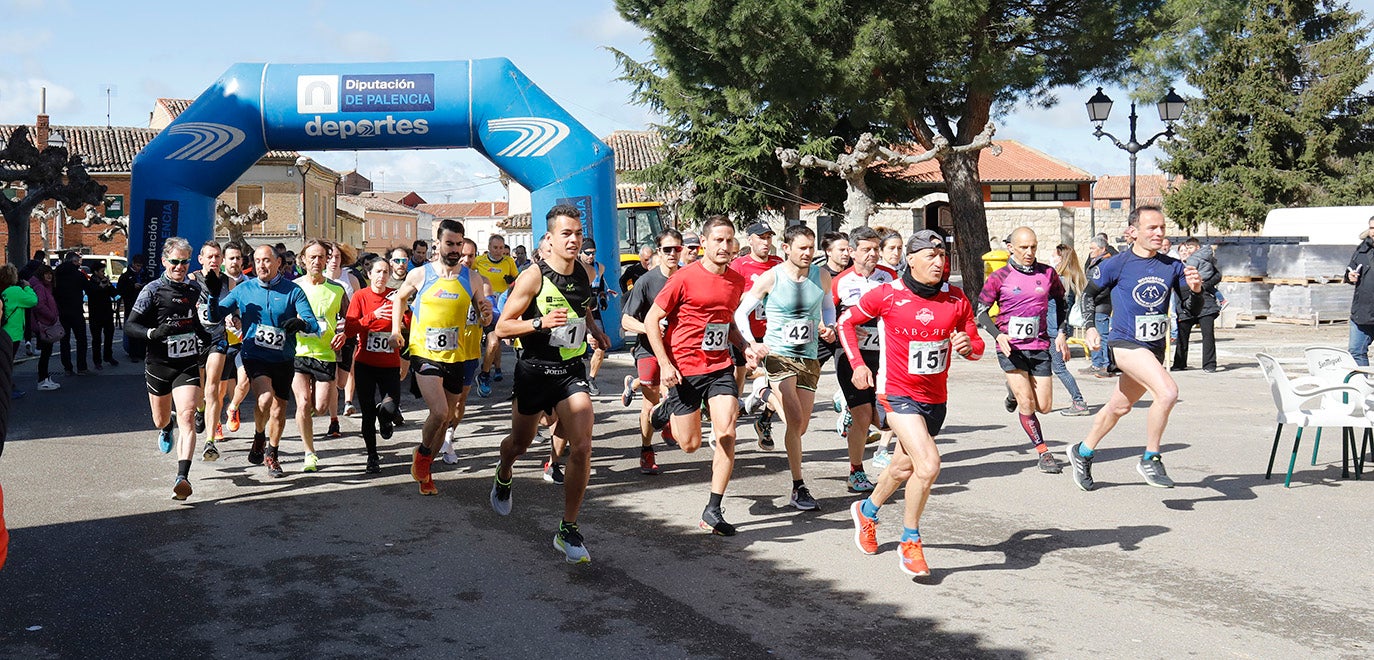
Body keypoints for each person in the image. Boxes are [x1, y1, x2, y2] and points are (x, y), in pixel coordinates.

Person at [844, 230, 983, 577]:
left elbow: (976, 345)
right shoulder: (888, 295)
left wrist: (969, 347)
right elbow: (846, 322)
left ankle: (867, 510)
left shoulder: (956, 298)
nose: (939, 263)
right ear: (911, 258)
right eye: (931, 256)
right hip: (896, 393)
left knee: (903, 468)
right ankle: (910, 540)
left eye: (942, 256)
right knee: (929, 464)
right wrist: (859, 364)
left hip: (935, 397)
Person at [490, 204, 610, 564]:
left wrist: (594, 329)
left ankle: (567, 529)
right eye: (566, 234)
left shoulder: (585, 274)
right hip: (534, 372)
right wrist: (540, 323)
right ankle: (504, 470)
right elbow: (502, 327)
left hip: (570, 371)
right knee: (520, 444)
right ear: (550, 238)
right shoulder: (533, 277)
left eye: (577, 233)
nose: (574, 240)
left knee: (583, 446)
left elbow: (583, 307)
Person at [1067, 205, 1202, 491]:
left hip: (1153, 349)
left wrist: (1196, 290)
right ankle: (1151, 457)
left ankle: (1083, 451)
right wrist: (1091, 327)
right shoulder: (1118, 264)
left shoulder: (1173, 266)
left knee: (1119, 406)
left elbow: (1190, 309)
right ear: (1133, 232)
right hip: (1125, 343)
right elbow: (1089, 295)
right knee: (1167, 393)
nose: (1159, 232)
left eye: (1162, 227)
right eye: (1152, 228)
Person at [645, 215, 750, 535]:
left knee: (727, 433)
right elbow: (652, 320)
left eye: (729, 240)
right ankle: (663, 411)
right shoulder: (683, 278)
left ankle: (713, 509)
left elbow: (727, 323)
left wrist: (746, 347)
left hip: (719, 367)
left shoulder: (736, 280)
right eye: (718, 240)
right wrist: (664, 364)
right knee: (689, 445)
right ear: (703, 243)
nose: (725, 245)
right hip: (683, 370)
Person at [734, 225, 836, 510]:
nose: (807, 253)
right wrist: (752, 344)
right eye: (801, 247)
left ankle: (763, 394)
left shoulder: (822, 276)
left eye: (811, 248)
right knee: (793, 417)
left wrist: (829, 326)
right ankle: (798, 486)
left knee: (800, 427)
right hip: (779, 355)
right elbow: (741, 313)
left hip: (809, 356)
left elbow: (828, 307)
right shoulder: (771, 278)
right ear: (786, 248)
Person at [392, 219, 491, 495]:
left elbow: (482, 316)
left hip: (456, 356)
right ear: (438, 244)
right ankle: (423, 455)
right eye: (450, 244)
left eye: (459, 244)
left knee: (445, 421)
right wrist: (395, 330)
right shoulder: (421, 275)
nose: (455, 249)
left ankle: (426, 471)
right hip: (424, 353)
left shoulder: (471, 278)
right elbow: (399, 299)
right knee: (440, 412)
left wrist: (485, 315)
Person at [214, 245, 321, 477]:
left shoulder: (293, 291)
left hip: (283, 358)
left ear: (278, 263)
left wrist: (302, 324)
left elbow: (313, 323)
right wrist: (211, 295)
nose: (262, 265)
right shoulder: (244, 289)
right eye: (258, 261)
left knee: (279, 410)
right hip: (254, 354)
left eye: (267, 260)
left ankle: (271, 452)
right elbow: (216, 313)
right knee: (264, 399)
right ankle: (259, 434)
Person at [125, 237, 212, 499]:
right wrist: (154, 332)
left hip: (186, 363)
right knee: (161, 418)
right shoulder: (152, 290)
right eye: (175, 261)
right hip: (159, 364)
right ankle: (165, 427)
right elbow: (131, 325)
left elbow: (193, 320)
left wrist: (203, 335)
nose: (180, 266)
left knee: (187, 415)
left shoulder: (193, 289)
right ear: (165, 261)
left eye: (185, 262)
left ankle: (182, 476)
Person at [976, 227, 1069, 474]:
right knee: (1027, 403)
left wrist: (1061, 332)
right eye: (1024, 247)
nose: (1029, 252)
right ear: (1012, 248)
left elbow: (1061, 302)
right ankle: (1043, 452)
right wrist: (999, 335)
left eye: (1034, 247)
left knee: (1045, 406)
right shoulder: (999, 277)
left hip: (1038, 346)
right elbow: (981, 312)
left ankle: (1012, 393)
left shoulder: (1048, 274)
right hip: (1011, 348)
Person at [829, 226, 897, 489]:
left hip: (883, 355)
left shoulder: (889, 276)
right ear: (852, 252)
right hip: (850, 355)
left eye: (876, 249)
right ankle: (855, 471)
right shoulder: (841, 281)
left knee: (884, 418)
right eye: (866, 249)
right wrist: (830, 327)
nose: (873, 254)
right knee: (862, 415)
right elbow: (826, 313)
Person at [619, 229, 684, 474]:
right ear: (659, 251)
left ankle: (665, 416)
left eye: (677, 249)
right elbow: (626, 321)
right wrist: (651, 327)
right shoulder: (647, 281)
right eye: (667, 249)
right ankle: (646, 450)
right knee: (650, 401)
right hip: (648, 350)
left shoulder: (687, 277)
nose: (672, 254)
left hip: (678, 349)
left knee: (678, 395)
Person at [292, 240, 350, 472]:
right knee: (303, 403)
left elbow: (350, 320)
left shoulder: (337, 289)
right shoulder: (294, 287)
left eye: (321, 257)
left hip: (325, 354)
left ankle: (319, 407)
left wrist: (344, 334)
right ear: (303, 260)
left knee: (322, 408)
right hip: (298, 352)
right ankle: (309, 452)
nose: (317, 262)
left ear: (327, 260)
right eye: (312, 257)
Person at [344, 255, 404, 473]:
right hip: (365, 364)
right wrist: (372, 316)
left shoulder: (395, 297)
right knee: (367, 412)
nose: (382, 276)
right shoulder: (360, 297)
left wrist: (404, 317)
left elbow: (407, 323)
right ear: (368, 275)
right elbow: (350, 329)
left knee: (389, 406)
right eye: (377, 272)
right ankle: (372, 457)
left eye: (385, 272)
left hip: (389, 363)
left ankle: (386, 419)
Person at [438, 238, 494, 465]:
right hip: (442, 350)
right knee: (441, 403)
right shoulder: (443, 279)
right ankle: (437, 436)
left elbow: (490, 316)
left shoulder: (483, 282)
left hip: (469, 352)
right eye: (463, 255)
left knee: (460, 402)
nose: (467, 260)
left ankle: (449, 436)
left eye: (471, 256)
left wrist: (488, 312)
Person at [189, 241, 235, 460]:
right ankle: (200, 411)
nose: (214, 260)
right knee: (198, 391)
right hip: (196, 340)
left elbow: (236, 308)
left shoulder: (228, 282)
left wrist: (235, 318)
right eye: (210, 257)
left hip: (218, 338)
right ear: (201, 259)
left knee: (213, 388)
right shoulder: (191, 281)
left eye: (217, 257)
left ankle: (210, 441)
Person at [1049, 244, 1091, 416]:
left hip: (1055, 329)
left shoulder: (1061, 279)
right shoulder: (1071, 278)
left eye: (1054, 255)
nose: (1051, 258)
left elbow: (1061, 307)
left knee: (1058, 367)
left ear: (1061, 258)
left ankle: (1079, 401)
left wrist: (1061, 332)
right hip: (1055, 328)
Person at [475, 234, 518, 394]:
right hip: (482, 302)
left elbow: (516, 282)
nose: (498, 251)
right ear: (489, 247)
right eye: (495, 248)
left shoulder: (509, 261)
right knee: (490, 341)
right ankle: (487, 369)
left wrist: (511, 282)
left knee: (495, 340)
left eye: (501, 248)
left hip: (501, 303)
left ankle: (488, 372)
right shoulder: (479, 261)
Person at [1172, 238, 1222, 373]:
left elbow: (1217, 276)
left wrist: (1200, 287)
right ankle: (1179, 363)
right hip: (1184, 306)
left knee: (1208, 335)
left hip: (1205, 304)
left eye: (1188, 249)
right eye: (1182, 250)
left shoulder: (1201, 264)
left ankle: (1209, 365)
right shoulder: (1175, 266)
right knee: (1182, 335)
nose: (1185, 252)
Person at [579, 238, 614, 394]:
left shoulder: (599, 268)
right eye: (587, 253)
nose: (591, 256)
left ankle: (591, 379)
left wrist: (602, 298)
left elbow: (600, 288)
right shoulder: (574, 268)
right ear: (580, 253)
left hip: (593, 312)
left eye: (593, 253)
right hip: (577, 313)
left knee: (601, 345)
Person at [52, 251, 92, 376]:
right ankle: (81, 367)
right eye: (78, 261)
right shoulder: (78, 275)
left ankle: (67, 368)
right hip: (76, 311)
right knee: (81, 340)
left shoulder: (57, 274)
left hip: (61, 311)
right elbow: (89, 289)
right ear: (74, 261)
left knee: (65, 340)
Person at [1080, 236, 1114, 377]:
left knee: (1103, 335)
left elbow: (1104, 287)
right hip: (1095, 303)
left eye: (1093, 249)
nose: (1091, 251)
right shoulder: (1096, 261)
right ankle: (1096, 363)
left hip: (1102, 305)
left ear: (1102, 249)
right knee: (1094, 334)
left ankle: (1106, 365)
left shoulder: (1106, 263)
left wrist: (1093, 298)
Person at [1, 265, 37, 399]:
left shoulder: (2, 290)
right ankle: (8, 388)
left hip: (2, 330)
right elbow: (33, 301)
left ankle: (10, 386)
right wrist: (27, 287)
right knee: (8, 363)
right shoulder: (15, 291)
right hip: (13, 332)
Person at [28, 265, 62, 391]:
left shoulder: (43, 287)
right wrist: (52, 316)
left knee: (46, 353)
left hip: (44, 324)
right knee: (45, 353)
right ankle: (42, 380)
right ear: (41, 274)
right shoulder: (40, 287)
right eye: (46, 274)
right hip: (44, 324)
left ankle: (45, 377)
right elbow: (39, 305)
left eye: (51, 274)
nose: (49, 276)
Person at [1346, 215, 1374, 365]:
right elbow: (1350, 270)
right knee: (1356, 351)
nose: (1373, 232)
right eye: (1371, 228)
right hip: (1362, 313)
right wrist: (1349, 276)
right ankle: (1361, 387)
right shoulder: (1362, 249)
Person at [86, 261, 118, 370]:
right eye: (101, 271)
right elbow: (93, 293)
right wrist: (101, 287)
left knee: (109, 336)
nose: (103, 273)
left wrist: (108, 285)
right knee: (96, 339)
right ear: (95, 272)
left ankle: (108, 356)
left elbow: (114, 293)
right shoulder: (91, 283)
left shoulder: (105, 282)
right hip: (96, 315)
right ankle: (97, 361)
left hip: (107, 314)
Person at [118, 257, 149, 362]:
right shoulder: (125, 276)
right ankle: (133, 354)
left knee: (143, 329)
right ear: (133, 264)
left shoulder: (144, 274)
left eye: (140, 266)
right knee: (132, 330)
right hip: (131, 305)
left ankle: (142, 353)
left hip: (144, 306)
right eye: (137, 265)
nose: (139, 268)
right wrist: (132, 286)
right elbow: (121, 290)